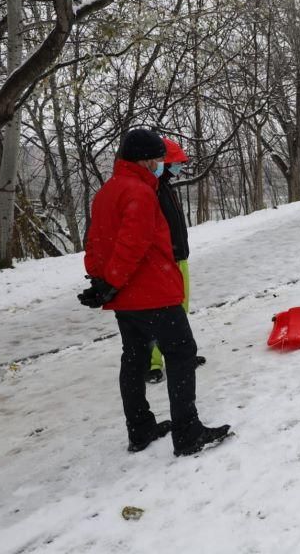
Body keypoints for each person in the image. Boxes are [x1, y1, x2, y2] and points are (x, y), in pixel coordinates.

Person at [79, 128, 230, 457]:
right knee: (181, 353)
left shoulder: (108, 191)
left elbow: (96, 242)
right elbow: (133, 244)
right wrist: (111, 282)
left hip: (126, 298)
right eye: (159, 159)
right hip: (152, 292)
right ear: (144, 160)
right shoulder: (140, 193)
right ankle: (188, 433)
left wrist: (100, 281)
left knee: (133, 359)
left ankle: (140, 428)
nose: (163, 164)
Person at [146, 137, 205, 384]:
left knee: (180, 312)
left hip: (179, 259)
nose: (179, 167)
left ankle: (182, 356)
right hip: (163, 263)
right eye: (176, 162)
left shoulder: (166, 188)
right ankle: (153, 363)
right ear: (163, 162)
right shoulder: (151, 190)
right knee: (159, 317)